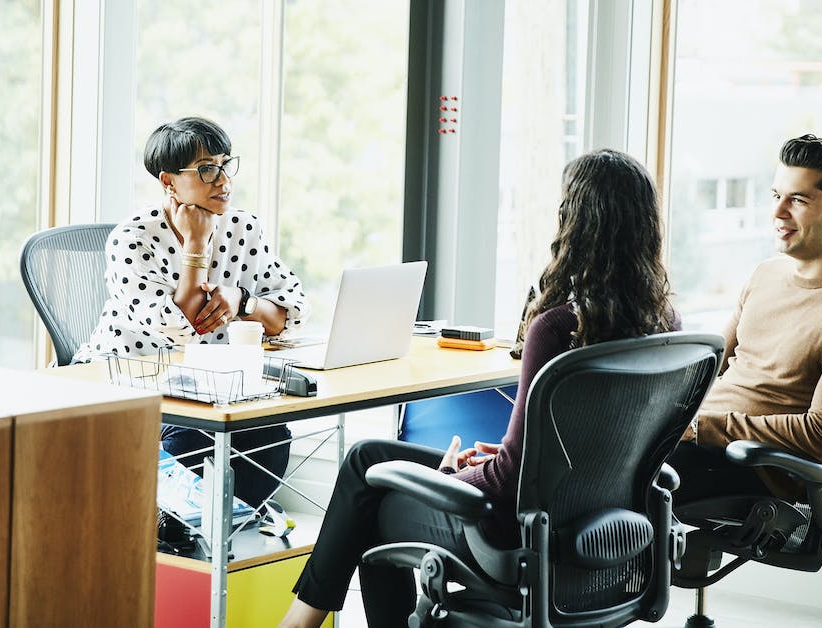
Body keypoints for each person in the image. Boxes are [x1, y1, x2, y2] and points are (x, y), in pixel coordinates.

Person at [279, 149, 679, 628]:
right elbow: (574, 450)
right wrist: (498, 462)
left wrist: (454, 479)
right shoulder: (667, 326)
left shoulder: (559, 329)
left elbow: (507, 481)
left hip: (516, 528)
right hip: (592, 516)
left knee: (372, 503)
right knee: (368, 459)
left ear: (575, 224)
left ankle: (297, 623)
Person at [74, 116, 308, 509]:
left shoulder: (243, 228)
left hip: (209, 386)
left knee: (269, 434)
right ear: (169, 183)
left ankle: (216, 535)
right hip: (127, 382)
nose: (224, 181)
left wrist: (242, 300)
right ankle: (178, 535)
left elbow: (292, 312)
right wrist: (196, 245)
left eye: (225, 164)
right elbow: (180, 328)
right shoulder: (132, 240)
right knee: (190, 438)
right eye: (207, 170)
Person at [668, 134, 822, 504]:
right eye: (777, 196)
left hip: (752, 471)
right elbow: (706, 367)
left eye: (798, 200)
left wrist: (701, 427)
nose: (778, 213)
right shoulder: (766, 274)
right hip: (694, 443)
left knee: (604, 480)